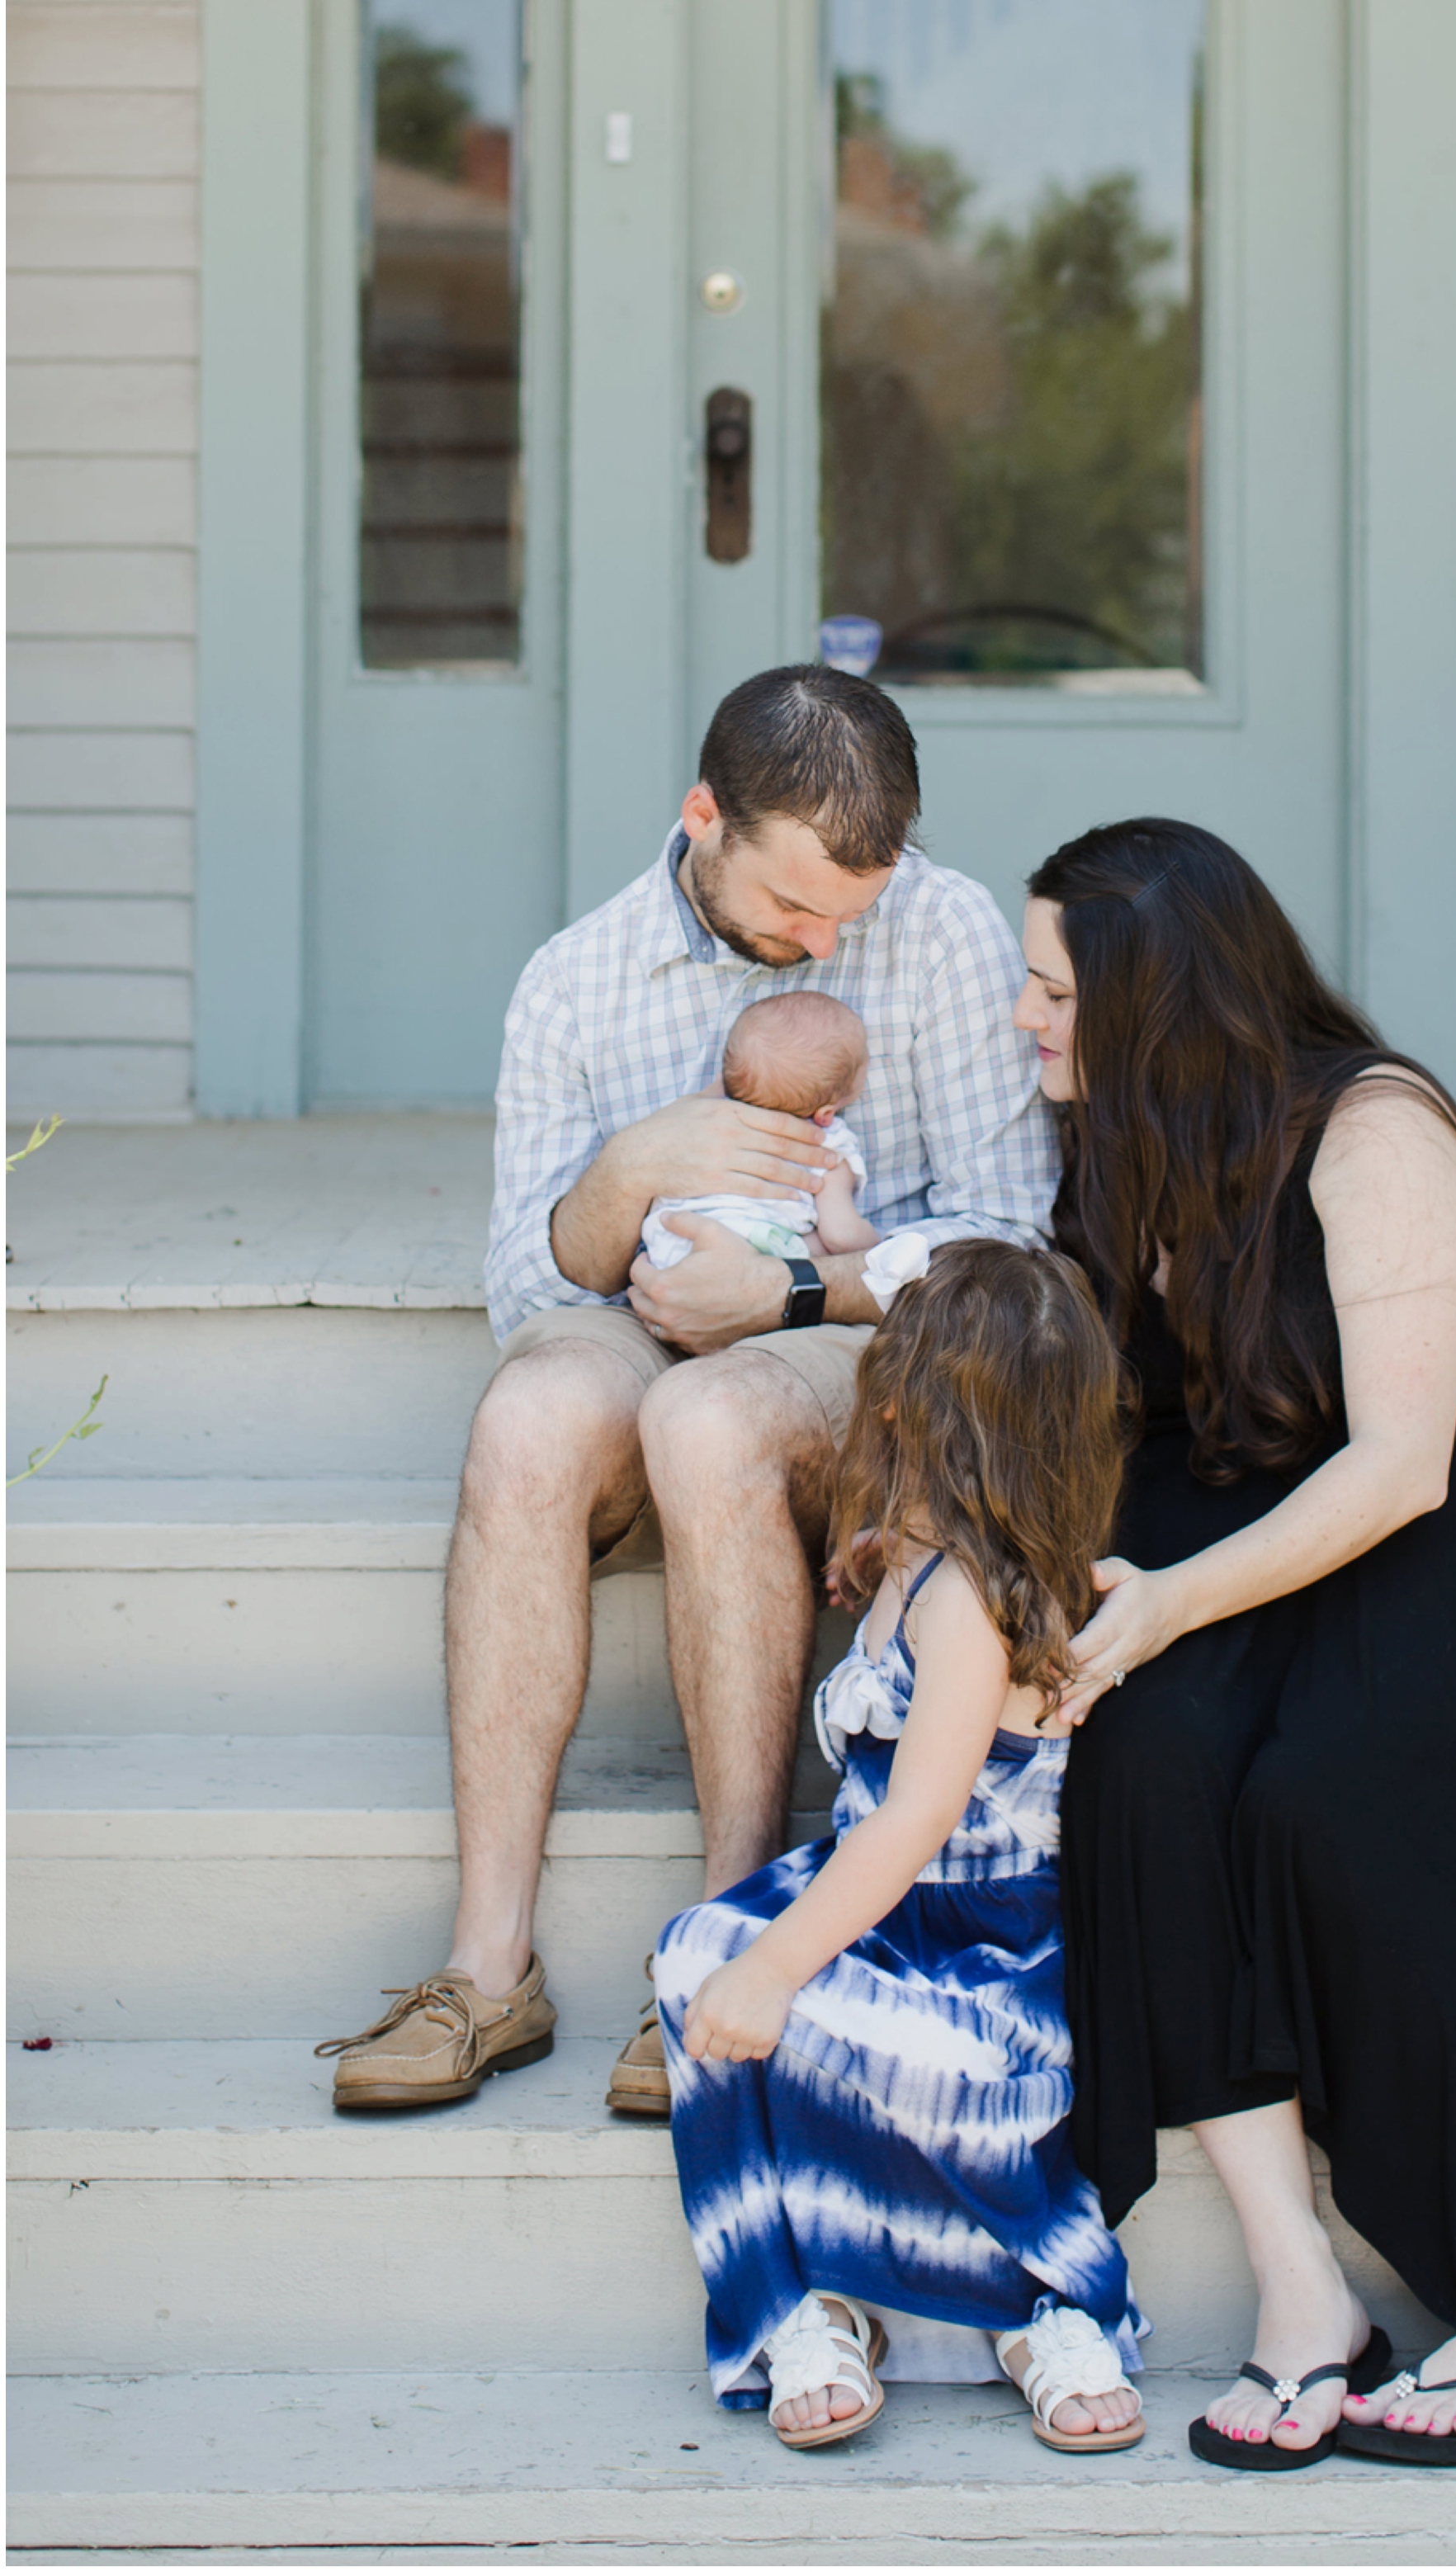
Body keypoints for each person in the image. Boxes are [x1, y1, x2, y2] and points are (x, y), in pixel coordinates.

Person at [1012, 818, 1456, 2471]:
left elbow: (1399, 1465)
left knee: (1331, 1802)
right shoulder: (1121, 1134)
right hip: (1224, 1517)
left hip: (1437, 1534)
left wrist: (1162, 1610)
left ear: (1152, 995)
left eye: (1050, 988)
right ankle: (1298, 2292)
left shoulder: (1372, 1127)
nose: (1022, 1018)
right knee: (1141, 1766)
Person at [316, 668, 1056, 2119]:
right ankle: (488, 1964)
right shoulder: (576, 982)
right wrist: (635, 1170)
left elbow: (1012, 1245)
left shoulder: (948, 932)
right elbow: (532, 1299)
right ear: (703, 818)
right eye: (793, 908)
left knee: (705, 1418)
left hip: (865, 1338)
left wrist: (798, 1296)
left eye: (850, 912)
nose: (819, 943)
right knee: (532, 1416)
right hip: (628, 1321)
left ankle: (731, 1937)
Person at [654, 1241, 1160, 2454]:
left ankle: (1044, 2303)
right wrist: (870, 1549)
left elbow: (919, 1819)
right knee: (686, 1963)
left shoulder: (971, 1606)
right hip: (873, 1905)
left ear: (894, 1406)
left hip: (973, 1948)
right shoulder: (913, 1556)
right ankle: (800, 2305)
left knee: (923, 2069)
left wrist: (776, 1970)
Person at [639, 991, 878, 1273]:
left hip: (669, 1246)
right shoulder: (828, 1146)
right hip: (756, 1252)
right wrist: (881, 1246)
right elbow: (842, 1236)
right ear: (825, 1113)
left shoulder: (700, 1117)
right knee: (818, 1249)